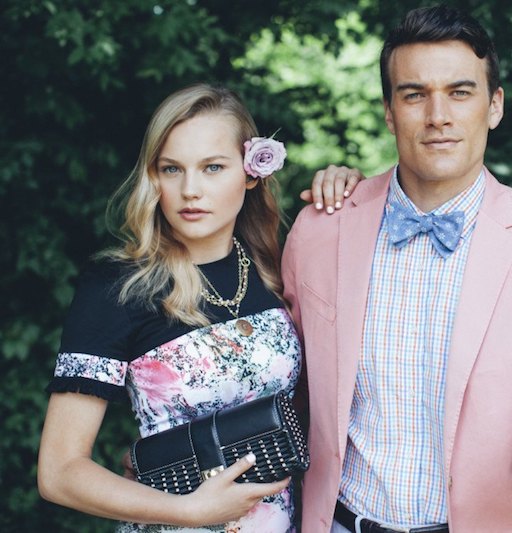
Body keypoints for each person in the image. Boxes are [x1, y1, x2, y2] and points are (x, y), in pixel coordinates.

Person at [282, 5, 512, 532]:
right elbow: (280, 381)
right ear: (388, 110)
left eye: (460, 92)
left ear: (494, 106)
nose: (437, 115)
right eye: (414, 94)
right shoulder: (319, 228)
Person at [37, 83, 356, 533]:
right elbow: (60, 473)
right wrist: (191, 511)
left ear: (251, 173)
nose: (191, 190)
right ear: (154, 179)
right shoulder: (117, 288)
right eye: (172, 169)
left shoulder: (274, 267)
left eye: (212, 167)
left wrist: (350, 192)